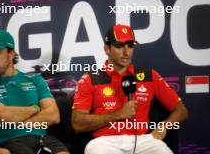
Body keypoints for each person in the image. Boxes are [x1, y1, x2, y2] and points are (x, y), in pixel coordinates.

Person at [72, 24, 188, 154]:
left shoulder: (149, 76)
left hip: (144, 140)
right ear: (107, 49)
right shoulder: (89, 79)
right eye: (119, 46)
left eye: (130, 46)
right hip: (104, 142)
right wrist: (118, 114)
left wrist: (164, 126)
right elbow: (77, 124)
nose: (126, 52)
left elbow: (182, 111)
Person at [0, 30, 69, 154]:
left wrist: (13, 120)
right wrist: (35, 108)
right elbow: (2, 117)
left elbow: (53, 116)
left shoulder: (35, 80)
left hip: (43, 139)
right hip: (8, 142)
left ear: (11, 54)